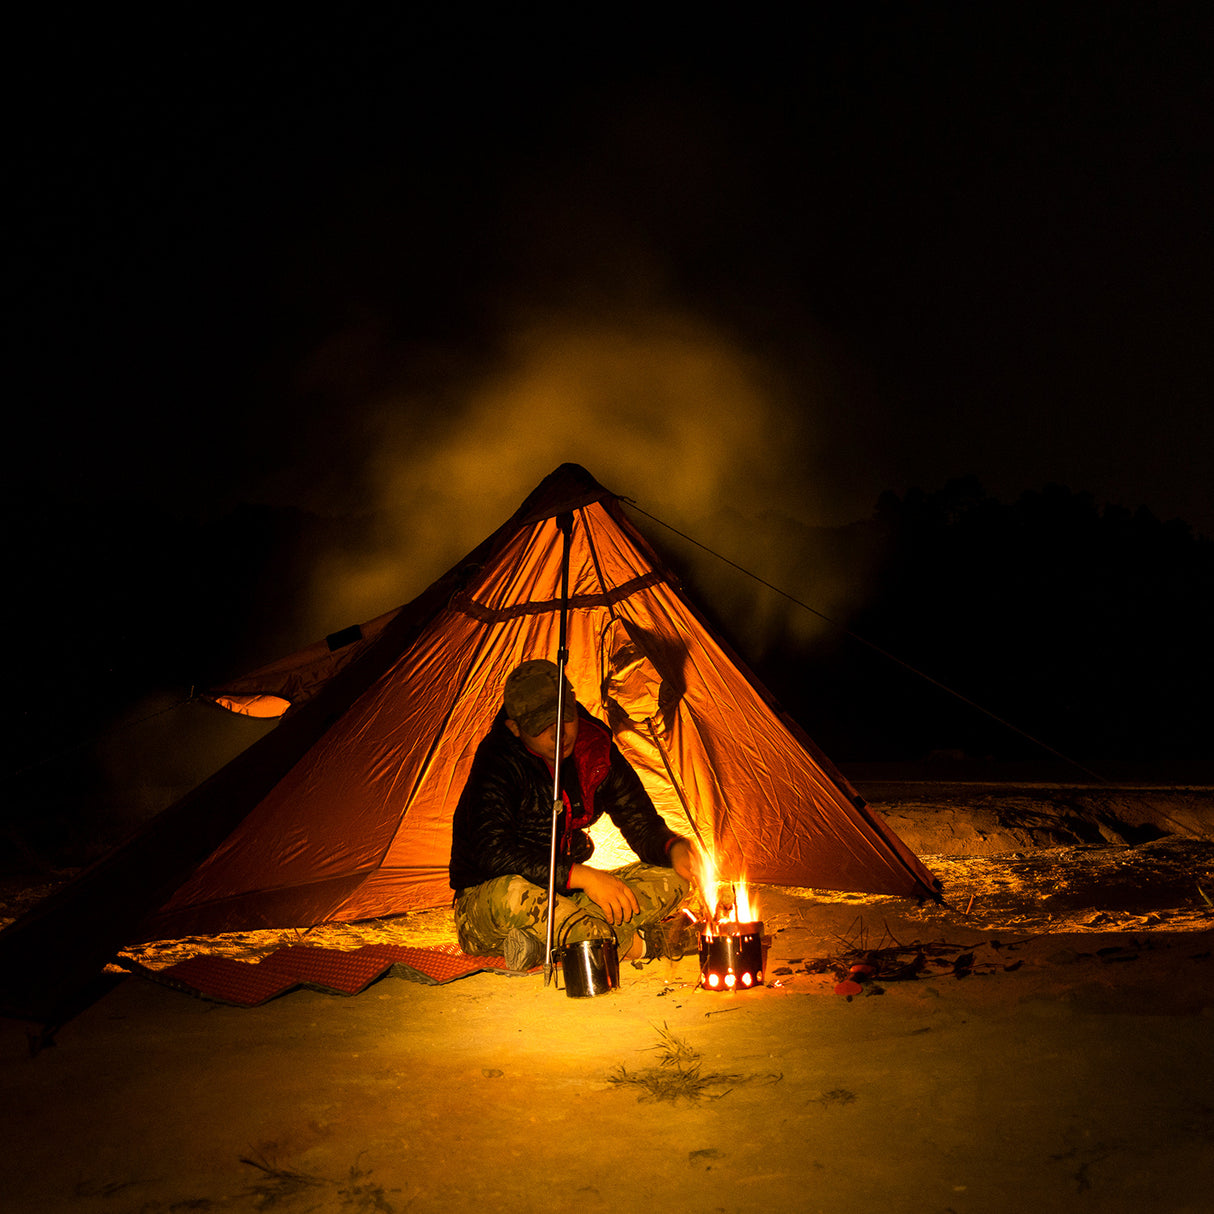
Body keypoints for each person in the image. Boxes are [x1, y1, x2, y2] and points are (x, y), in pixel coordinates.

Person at [449, 658, 699, 972]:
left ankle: (543, 945)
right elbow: (493, 853)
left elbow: (641, 823)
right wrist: (580, 875)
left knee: (672, 876)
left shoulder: (594, 746)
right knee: (555, 916)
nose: (559, 734)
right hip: (493, 900)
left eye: (564, 718)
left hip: (565, 897)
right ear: (514, 728)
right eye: (541, 725)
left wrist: (672, 847)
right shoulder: (497, 761)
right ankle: (639, 944)